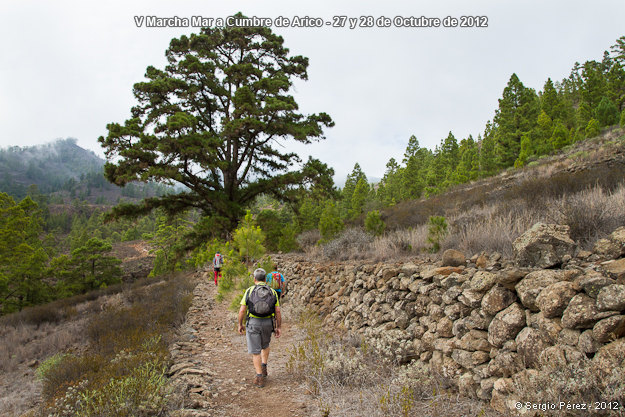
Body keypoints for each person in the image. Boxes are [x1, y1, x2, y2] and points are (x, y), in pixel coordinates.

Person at [238, 268, 281, 388]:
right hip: (268, 322)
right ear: (265, 279)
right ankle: (264, 366)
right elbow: (277, 311)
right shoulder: (272, 291)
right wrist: (278, 327)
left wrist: (240, 324)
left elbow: (242, 310)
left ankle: (259, 377)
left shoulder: (249, 290)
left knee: (255, 351)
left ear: (254, 279)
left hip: (253, 323)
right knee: (265, 345)